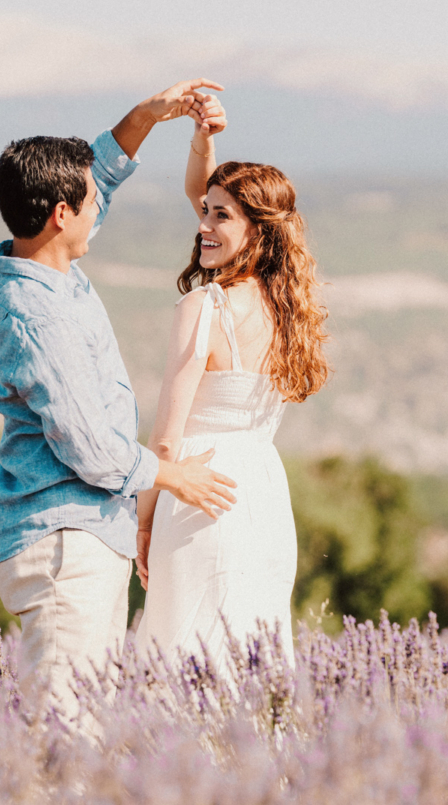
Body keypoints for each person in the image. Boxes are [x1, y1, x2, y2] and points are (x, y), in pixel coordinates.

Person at [0, 79, 240, 720]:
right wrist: (173, 476)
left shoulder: (43, 266)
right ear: (60, 214)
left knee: (76, 718)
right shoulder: (38, 315)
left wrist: (151, 116)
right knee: (68, 729)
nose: (101, 204)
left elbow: (99, 173)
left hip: (75, 530)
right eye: (90, 200)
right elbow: (91, 447)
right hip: (67, 535)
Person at [134, 108, 331, 666]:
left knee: (184, 651)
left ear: (255, 229)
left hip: (196, 488)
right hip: (262, 494)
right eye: (204, 212)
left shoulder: (205, 307)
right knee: (251, 654)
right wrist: (203, 140)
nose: (203, 225)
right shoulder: (290, 311)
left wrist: (142, 519)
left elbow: (167, 442)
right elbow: (208, 194)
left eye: (221, 216)